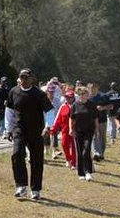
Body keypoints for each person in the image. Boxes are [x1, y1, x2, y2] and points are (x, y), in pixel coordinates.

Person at [4, 68, 54, 200]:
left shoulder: (39, 94)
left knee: (36, 159)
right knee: (17, 154)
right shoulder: (13, 92)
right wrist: (8, 129)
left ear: (32, 79)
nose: (23, 80)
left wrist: (48, 127)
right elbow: (9, 110)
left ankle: (36, 189)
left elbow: (49, 111)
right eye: (21, 77)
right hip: (19, 129)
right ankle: (21, 186)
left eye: (26, 77)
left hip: (37, 130)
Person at [69, 86, 99, 181]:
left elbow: (95, 118)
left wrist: (97, 129)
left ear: (87, 94)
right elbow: (71, 118)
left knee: (86, 150)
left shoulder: (92, 104)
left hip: (89, 131)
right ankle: (81, 173)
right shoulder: (75, 105)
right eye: (80, 94)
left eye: (83, 94)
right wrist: (71, 129)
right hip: (78, 131)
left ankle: (88, 172)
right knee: (80, 151)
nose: (82, 96)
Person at [50, 89, 76, 169]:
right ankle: (68, 159)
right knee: (64, 145)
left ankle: (74, 162)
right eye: (67, 97)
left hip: (75, 131)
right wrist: (53, 129)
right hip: (65, 130)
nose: (68, 99)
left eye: (70, 97)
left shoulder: (77, 106)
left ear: (73, 97)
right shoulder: (63, 106)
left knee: (74, 147)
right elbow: (58, 118)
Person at [87, 83, 112, 161]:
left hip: (102, 120)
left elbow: (111, 106)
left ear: (97, 88)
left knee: (102, 137)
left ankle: (102, 153)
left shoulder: (103, 96)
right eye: (90, 89)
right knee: (94, 136)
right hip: (92, 120)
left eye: (94, 88)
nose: (92, 90)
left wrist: (103, 107)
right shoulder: (88, 98)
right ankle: (96, 153)